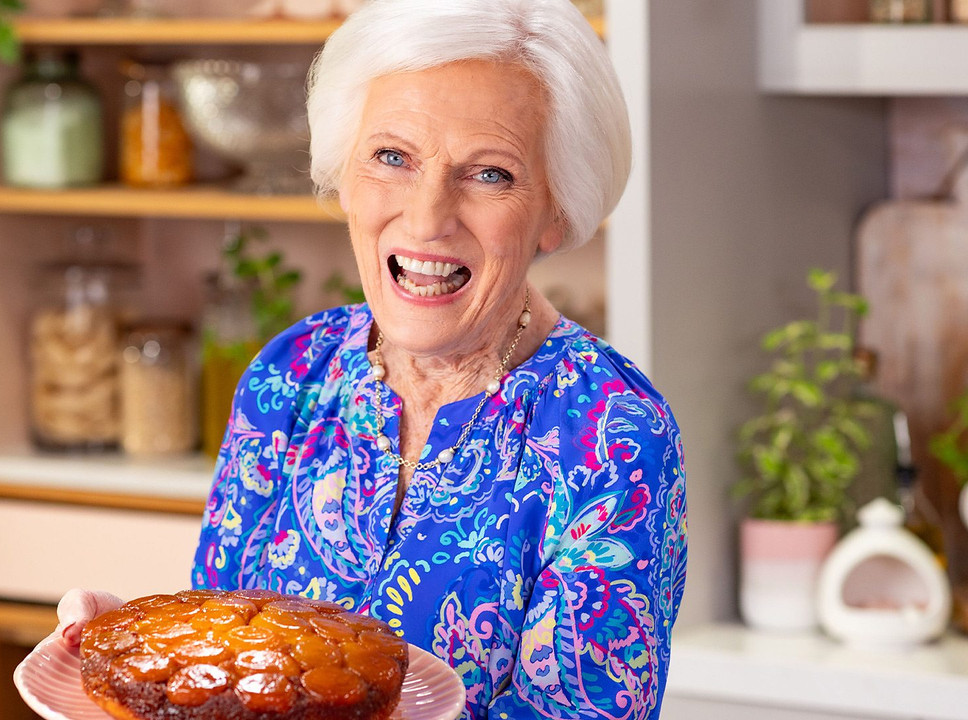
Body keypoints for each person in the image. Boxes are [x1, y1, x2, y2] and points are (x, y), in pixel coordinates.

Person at [57, 0, 688, 717]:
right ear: (345, 175)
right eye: (392, 156)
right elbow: (228, 653)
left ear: (557, 210)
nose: (425, 218)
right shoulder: (291, 374)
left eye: (490, 175)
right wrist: (144, 652)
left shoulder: (612, 435)